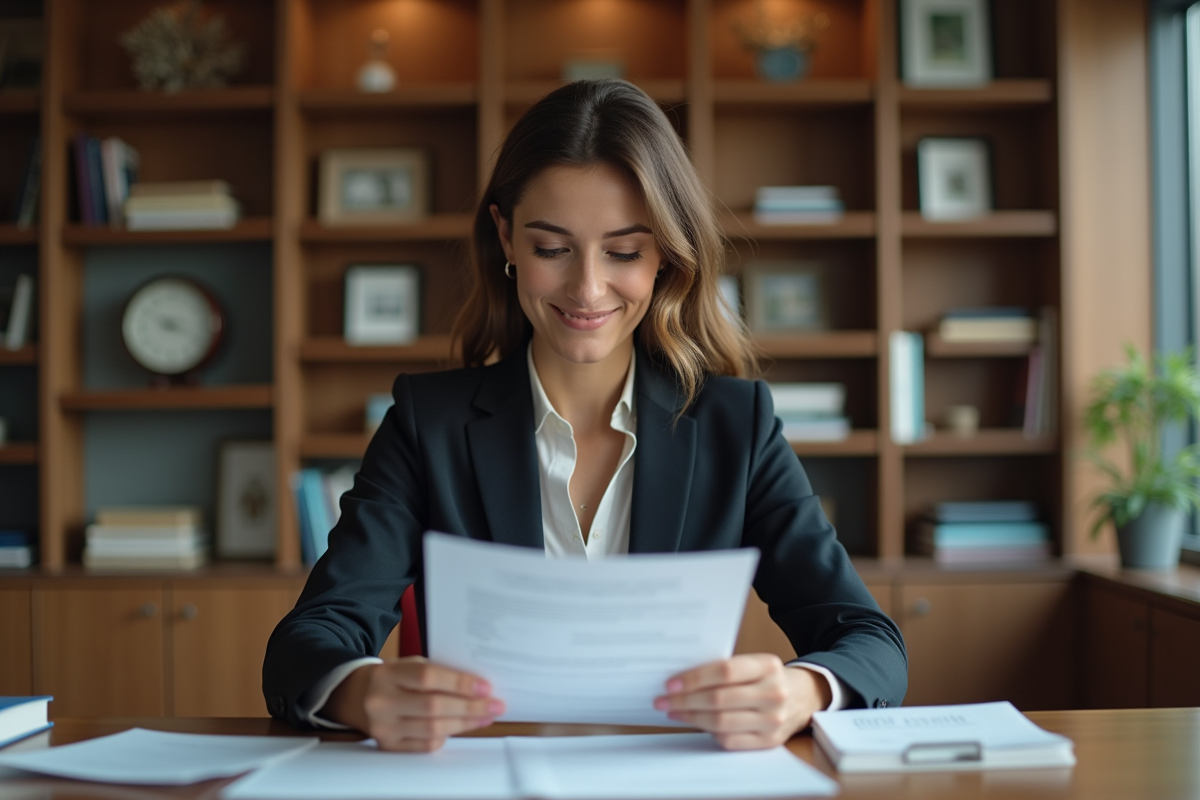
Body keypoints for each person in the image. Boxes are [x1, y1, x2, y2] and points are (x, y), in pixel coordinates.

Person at [263, 78, 906, 754]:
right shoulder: (430, 424)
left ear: (665, 253)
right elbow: (307, 644)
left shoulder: (734, 425)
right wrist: (362, 691)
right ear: (505, 238)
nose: (587, 288)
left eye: (624, 252)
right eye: (551, 248)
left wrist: (801, 692)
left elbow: (869, 641)